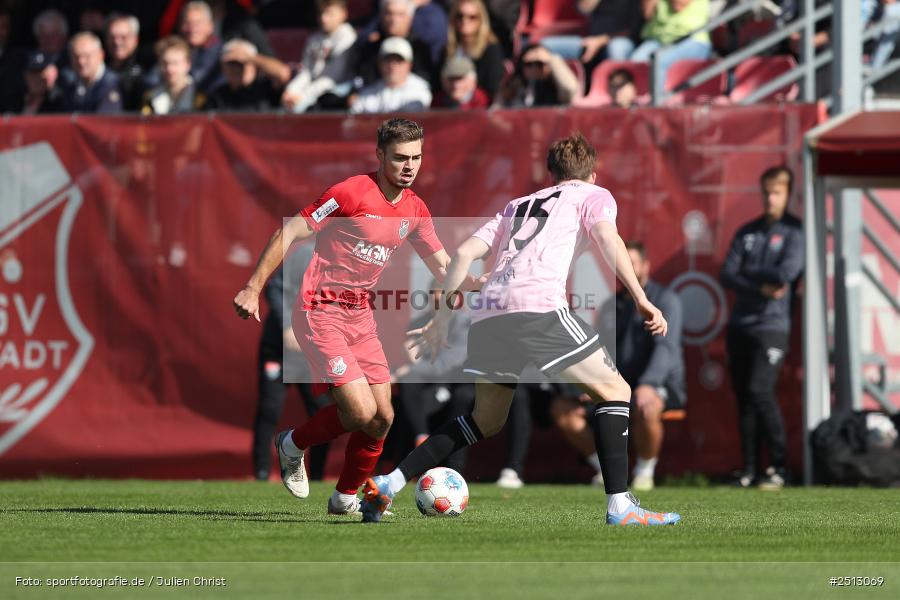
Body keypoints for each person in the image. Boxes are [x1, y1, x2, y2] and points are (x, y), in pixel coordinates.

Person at [360, 133, 681, 527]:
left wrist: (443, 317)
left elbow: (462, 254)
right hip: (538, 310)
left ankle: (388, 482)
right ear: (592, 176)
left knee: (485, 421)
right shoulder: (594, 195)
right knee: (617, 390)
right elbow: (608, 238)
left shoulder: (518, 204)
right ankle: (621, 506)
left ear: (551, 175)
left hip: (489, 317)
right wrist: (640, 296)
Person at [232, 118, 484, 516]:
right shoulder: (350, 193)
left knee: (382, 417)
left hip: (360, 316)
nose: (410, 166)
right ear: (380, 155)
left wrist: (477, 283)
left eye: (417, 157)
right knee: (360, 413)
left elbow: (442, 267)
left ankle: (344, 497)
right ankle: (292, 443)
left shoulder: (416, 209)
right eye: (400, 157)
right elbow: (291, 231)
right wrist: (253, 287)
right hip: (320, 309)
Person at [553, 241, 685, 491]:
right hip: (618, 387)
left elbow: (665, 350)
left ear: (645, 266)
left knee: (647, 405)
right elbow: (601, 352)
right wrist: (591, 382)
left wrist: (649, 384)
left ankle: (644, 473)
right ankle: (606, 469)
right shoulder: (609, 306)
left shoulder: (666, 301)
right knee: (563, 409)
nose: (627, 270)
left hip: (658, 385)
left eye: (632, 263)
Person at [720, 165, 803, 490]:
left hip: (772, 326)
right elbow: (727, 273)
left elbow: (785, 274)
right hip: (741, 324)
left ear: (788, 194)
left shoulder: (795, 232)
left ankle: (780, 468)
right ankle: (750, 470)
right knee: (744, 397)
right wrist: (759, 284)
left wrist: (750, 272)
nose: (771, 198)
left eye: (777, 192)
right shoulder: (747, 231)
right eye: (767, 192)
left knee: (760, 391)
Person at [253, 246, 332, 482]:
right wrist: (288, 326)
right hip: (279, 349)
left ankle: (317, 474)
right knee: (270, 408)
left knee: (323, 412)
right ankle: (262, 474)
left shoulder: (352, 265)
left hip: (311, 353)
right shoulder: (306, 254)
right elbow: (275, 288)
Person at [282, 0, 358, 114]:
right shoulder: (314, 39)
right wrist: (291, 90)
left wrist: (302, 97)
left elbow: (332, 78)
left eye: (329, 14)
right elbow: (306, 71)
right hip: (313, 91)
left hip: (337, 93)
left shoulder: (347, 36)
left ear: (343, 14)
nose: (324, 19)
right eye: (321, 13)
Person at [539, 1, 644, 73]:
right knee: (543, 47)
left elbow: (635, 30)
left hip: (622, 41)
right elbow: (584, 8)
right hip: (590, 41)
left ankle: (617, 98)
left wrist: (601, 40)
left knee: (616, 48)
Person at [629, 0, 712, 88]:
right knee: (636, 62)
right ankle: (639, 97)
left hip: (692, 40)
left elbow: (678, 5)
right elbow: (647, 14)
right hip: (660, 39)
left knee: (659, 62)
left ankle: (657, 99)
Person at [354, 0, 436, 87]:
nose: (393, 19)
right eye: (388, 13)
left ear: (410, 18)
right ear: (380, 16)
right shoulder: (370, 48)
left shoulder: (420, 49)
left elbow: (426, 82)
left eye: (400, 14)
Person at [349, 37, 432, 114]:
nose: (392, 66)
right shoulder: (366, 94)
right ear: (379, 64)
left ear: (409, 65)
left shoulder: (421, 90)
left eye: (398, 61)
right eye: (388, 60)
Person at [443, 0, 506, 102]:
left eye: (472, 17)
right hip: (448, 105)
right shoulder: (448, 48)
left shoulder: (491, 49)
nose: (465, 20)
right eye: (460, 16)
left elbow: (493, 87)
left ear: (481, 20)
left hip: (479, 107)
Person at [206, 38, 290, 111]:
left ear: (254, 65)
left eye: (242, 63)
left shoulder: (266, 88)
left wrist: (249, 57)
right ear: (223, 67)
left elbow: (282, 73)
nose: (236, 69)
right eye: (232, 63)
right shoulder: (218, 95)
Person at [493, 44, 580, 108]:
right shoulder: (514, 86)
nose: (534, 68)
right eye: (529, 64)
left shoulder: (556, 88)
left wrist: (552, 59)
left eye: (540, 64)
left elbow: (570, 89)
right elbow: (496, 111)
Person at [142, 36, 206, 115]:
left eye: (175, 63)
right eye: (165, 63)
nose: (169, 69)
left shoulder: (202, 97)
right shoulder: (150, 97)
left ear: (188, 65)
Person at [62, 31, 123, 114]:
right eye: (76, 56)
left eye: (87, 56)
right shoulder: (69, 87)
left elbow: (103, 123)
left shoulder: (115, 85)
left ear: (101, 55)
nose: (81, 62)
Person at [105, 13, 149, 111]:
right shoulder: (99, 66)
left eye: (123, 37)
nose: (117, 42)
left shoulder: (146, 66)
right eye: (112, 37)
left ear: (135, 39)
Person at [180, 0, 224, 93]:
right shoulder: (179, 48)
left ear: (210, 26)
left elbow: (198, 77)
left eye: (197, 24)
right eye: (187, 23)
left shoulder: (218, 52)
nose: (192, 29)